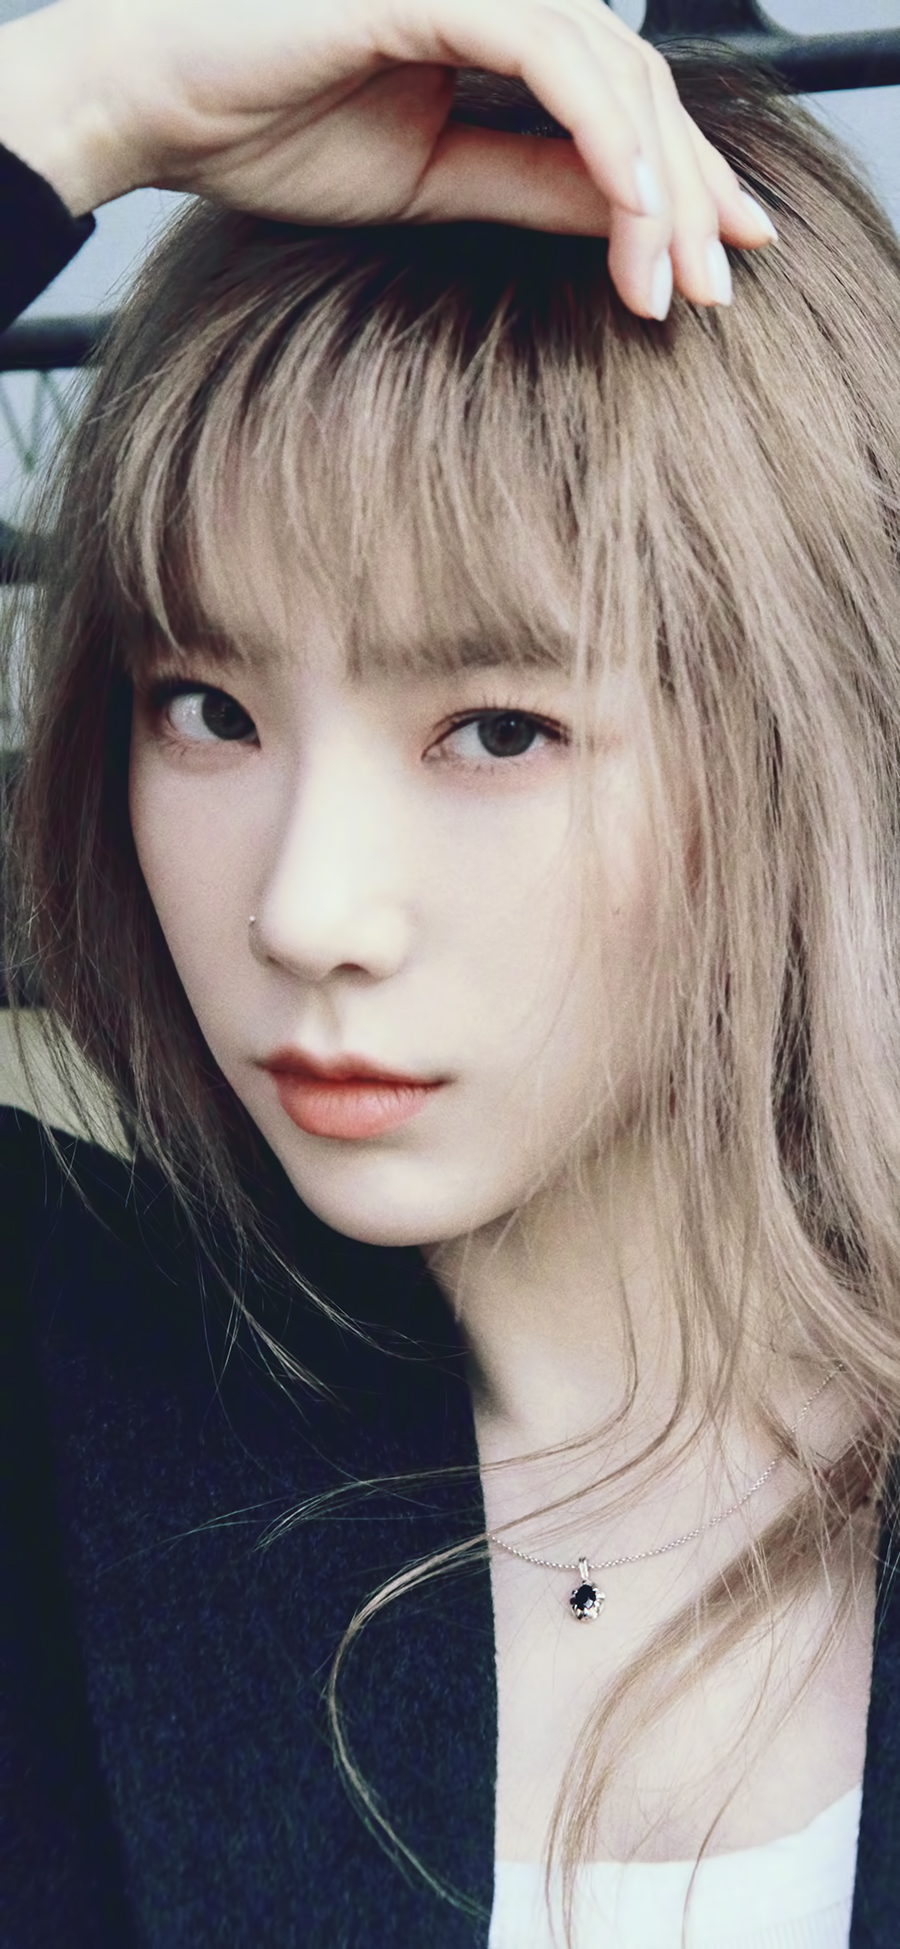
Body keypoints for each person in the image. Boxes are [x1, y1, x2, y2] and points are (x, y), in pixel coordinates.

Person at [1, 4, 898, 1946]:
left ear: (816, 737)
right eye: (207, 706)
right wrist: (71, 103)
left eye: (497, 728)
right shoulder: (60, 1397)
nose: (309, 907)